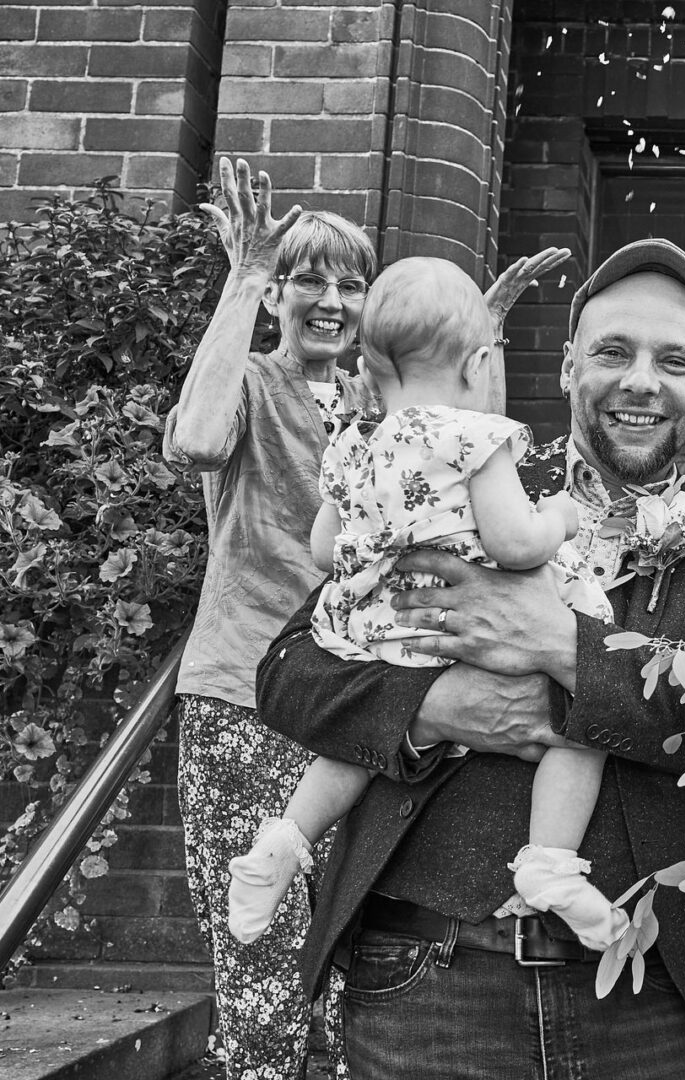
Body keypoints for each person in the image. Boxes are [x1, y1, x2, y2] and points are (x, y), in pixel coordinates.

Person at [255, 238, 685, 1080]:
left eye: (674, 361)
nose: (641, 381)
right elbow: (289, 673)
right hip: (426, 978)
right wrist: (433, 708)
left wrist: (555, 645)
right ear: (566, 365)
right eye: (613, 352)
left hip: (652, 1001)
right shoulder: (451, 474)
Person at [226, 255, 627, 956]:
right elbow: (514, 543)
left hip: (384, 629)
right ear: (478, 362)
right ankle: (550, 865)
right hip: (474, 628)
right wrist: (561, 516)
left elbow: (324, 550)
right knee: (575, 727)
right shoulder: (473, 436)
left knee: (362, 745)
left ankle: (284, 840)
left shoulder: (354, 442)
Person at [164, 157, 379, 1080]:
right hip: (241, 704)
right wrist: (243, 277)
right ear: (282, 292)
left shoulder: (379, 407)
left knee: (350, 965)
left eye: (351, 282)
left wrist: (470, 353)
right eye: (309, 278)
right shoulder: (250, 382)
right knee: (259, 966)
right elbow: (197, 442)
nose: (330, 299)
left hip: (347, 711)